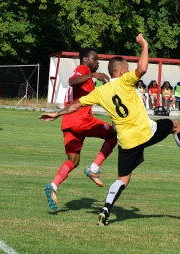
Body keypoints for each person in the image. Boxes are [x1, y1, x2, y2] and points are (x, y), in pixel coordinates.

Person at [39, 34, 180, 226]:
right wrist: (144, 45)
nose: (130, 70)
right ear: (121, 71)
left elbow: (77, 103)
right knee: (176, 125)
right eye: (127, 68)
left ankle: (105, 210)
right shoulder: (125, 81)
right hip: (146, 132)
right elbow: (143, 67)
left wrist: (56, 114)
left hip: (126, 142)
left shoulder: (100, 92)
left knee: (122, 178)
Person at [43, 47, 118, 211]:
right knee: (113, 134)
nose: (97, 62)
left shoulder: (87, 78)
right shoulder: (83, 70)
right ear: (85, 59)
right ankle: (94, 168)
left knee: (73, 160)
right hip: (80, 119)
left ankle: (53, 186)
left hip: (68, 122)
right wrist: (92, 74)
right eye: (95, 59)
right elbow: (71, 81)